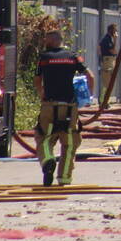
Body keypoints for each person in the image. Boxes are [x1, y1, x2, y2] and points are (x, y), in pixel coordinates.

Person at [35, 30, 95, 186]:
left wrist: (42, 94)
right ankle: (64, 178)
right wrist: (89, 97)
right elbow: (90, 75)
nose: (45, 42)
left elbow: (37, 80)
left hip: (49, 105)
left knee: (44, 137)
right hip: (69, 106)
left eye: (46, 40)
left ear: (52, 40)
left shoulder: (44, 58)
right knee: (69, 143)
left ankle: (48, 160)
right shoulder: (73, 56)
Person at [98, 24, 118, 102]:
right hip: (107, 61)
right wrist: (115, 40)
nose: (116, 32)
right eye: (115, 30)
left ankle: (106, 101)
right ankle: (103, 101)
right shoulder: (107, 39)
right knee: (107, 82)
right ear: (111, 30)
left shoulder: (109, 39)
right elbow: (112, 50)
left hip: (110, 60)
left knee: (110, 82)